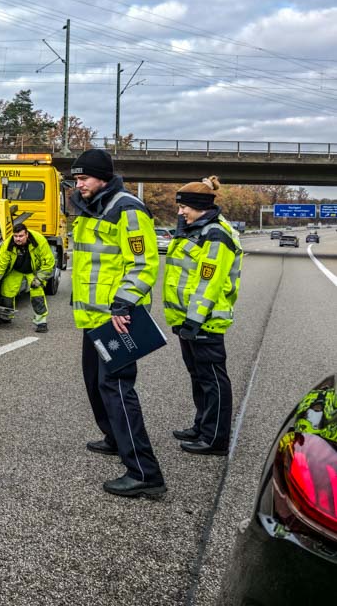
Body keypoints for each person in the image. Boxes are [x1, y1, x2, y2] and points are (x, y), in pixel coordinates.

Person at [69, 149, 165, 498]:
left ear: (104, 178)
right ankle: (113, 437)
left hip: (116, 317)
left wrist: (123, 303)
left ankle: (145, 473)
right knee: (95, 384)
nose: (78, 185)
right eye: (76, 179)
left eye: (84, 179)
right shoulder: (91, 206)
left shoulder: (127, 209)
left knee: (118, 389)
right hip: (92, 316)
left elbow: (142, 263)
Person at [163, 176, 242, 456]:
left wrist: (194, 320)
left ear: (201, 207)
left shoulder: (215, 234)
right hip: (189, 319)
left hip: (204, 320)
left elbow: (209, 282)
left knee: (212, 380)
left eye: (184, 207)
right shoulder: (195, 230)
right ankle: (202, 426)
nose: (180, 212)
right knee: (199, 376)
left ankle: (215, 439)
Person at [0, 220, 56, 332]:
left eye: (21, 236)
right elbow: (0, 267)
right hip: (16, 270)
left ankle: (41, 322)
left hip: (33, 270)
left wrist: (39, 278)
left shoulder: (39, 241)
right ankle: (7, 316)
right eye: (15, 236)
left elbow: (49, 262)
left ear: (26, 234)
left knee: (37, 293)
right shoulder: (8, 245)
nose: (18, 239)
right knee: (7, 291)